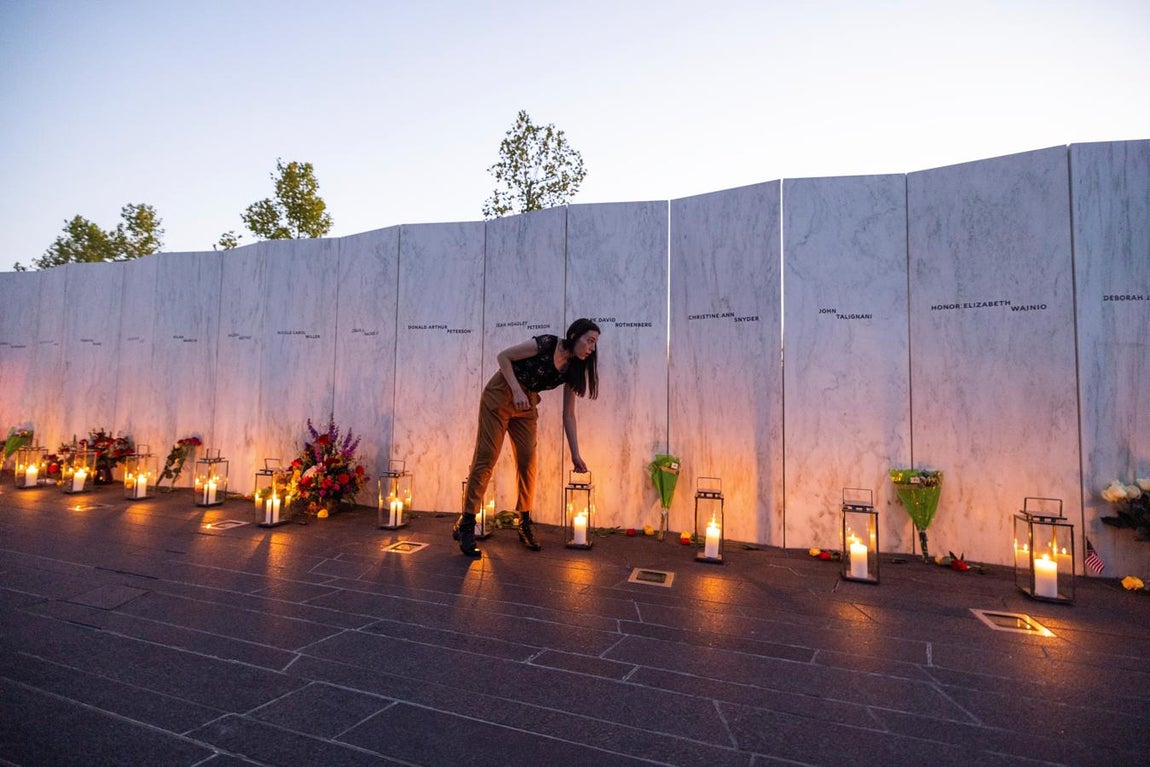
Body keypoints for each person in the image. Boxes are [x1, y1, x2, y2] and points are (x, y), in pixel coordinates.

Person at [454, 318, 600, 557]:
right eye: (589, 341)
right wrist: (516, 389)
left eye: (594, 344)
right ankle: (467, 523)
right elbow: (503, 357)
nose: (591, 348)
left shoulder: (573, 368)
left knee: (528, 462)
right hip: (501, 394)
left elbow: (569, 415)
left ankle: (523, 522)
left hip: (526, 404)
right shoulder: (546, 344)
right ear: (575, 336)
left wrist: (575, 454)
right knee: (487, 457)